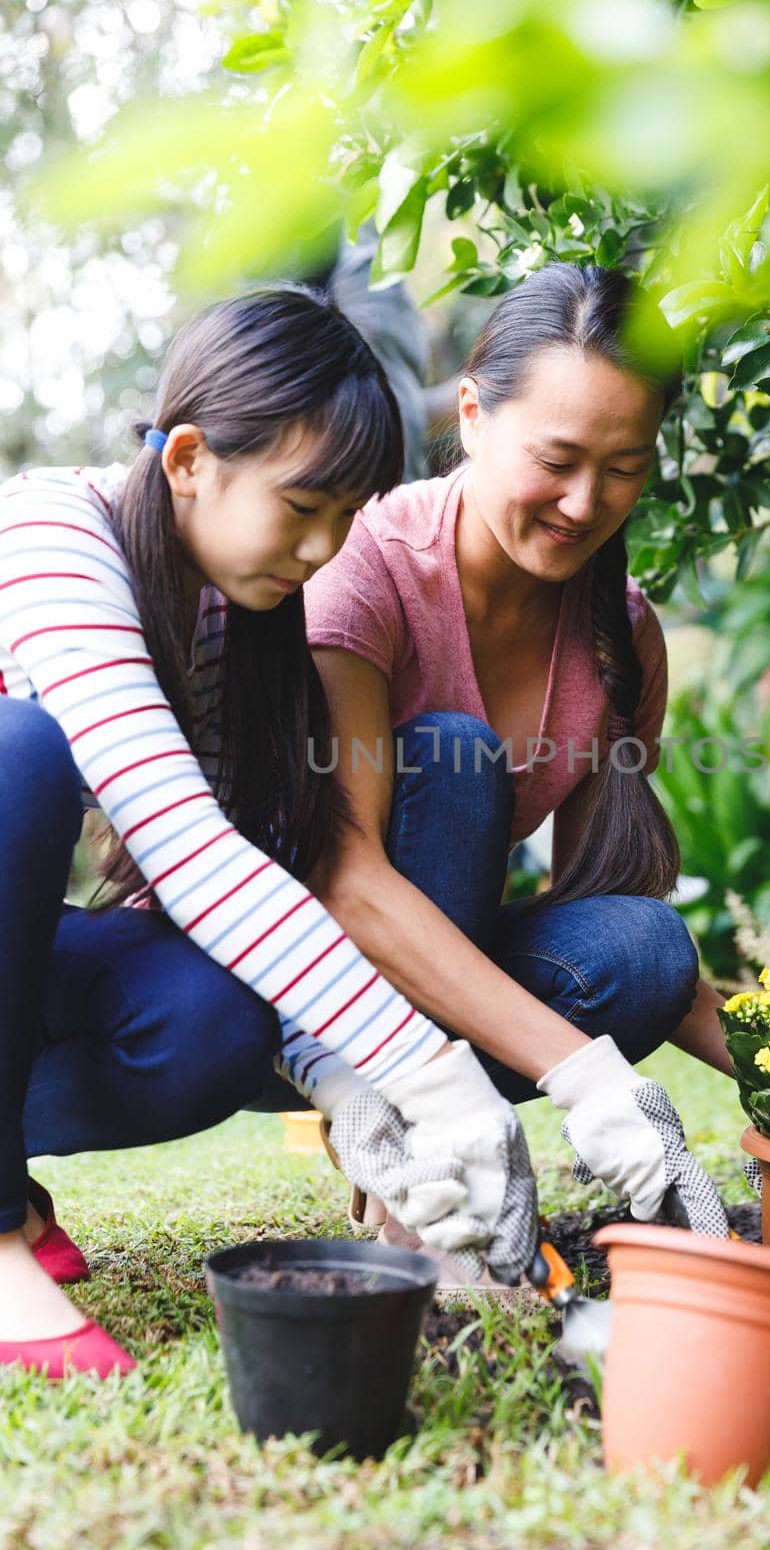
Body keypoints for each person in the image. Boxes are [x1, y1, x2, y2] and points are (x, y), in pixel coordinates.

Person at [0, 287, 547, 1380]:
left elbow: (222, 901)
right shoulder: (50, 536)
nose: (323, 548)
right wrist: (442, 1082)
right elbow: (186, 842)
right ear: (191, 457)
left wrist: (353, 1089)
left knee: (209, 1018)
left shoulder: (221, 610)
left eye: (347, 516)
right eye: (302, 506)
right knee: (18, 756)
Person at [281, 263, 735, 1255]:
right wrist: (585, 1076)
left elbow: (595, 898)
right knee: (452, 756)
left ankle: (442, 1147)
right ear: (474, 416)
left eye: (622, 466)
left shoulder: (620, 631)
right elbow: (346, 881)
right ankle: (416, 1162)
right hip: (306, 985)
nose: (583, 502)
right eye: (558, 456)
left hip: (449, 965)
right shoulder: (369, 568)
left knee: (649, 946)